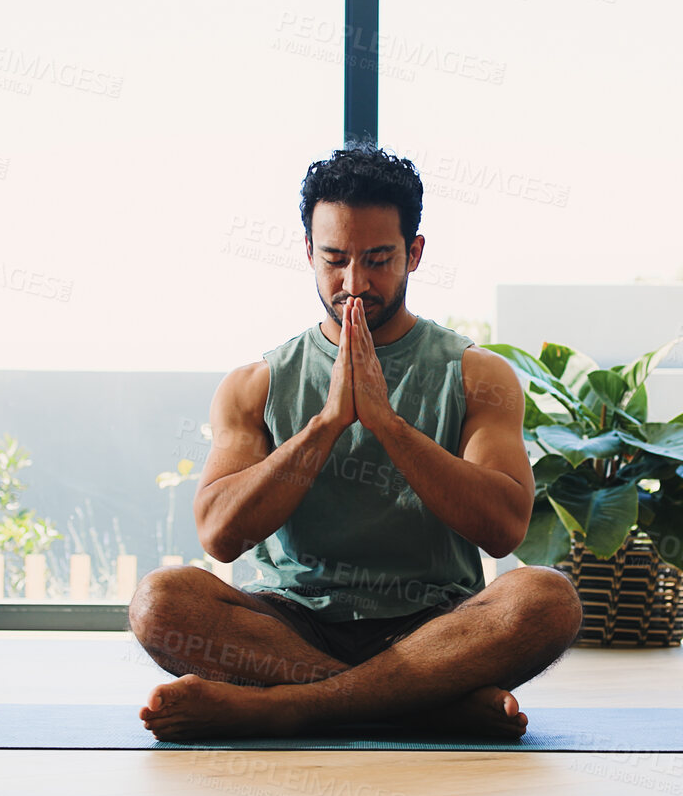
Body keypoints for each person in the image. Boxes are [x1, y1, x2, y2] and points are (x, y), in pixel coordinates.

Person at [128, 146, 582, 742]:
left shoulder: (478, 375)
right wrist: (327, 424)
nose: (354, 284)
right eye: (335, 259)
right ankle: (422, 705)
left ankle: (286, 708)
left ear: (414, 253)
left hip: (434, 627)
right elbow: (219, 534)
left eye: (378, 259)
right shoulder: (256, 384)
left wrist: (389, 426)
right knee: (160, 601)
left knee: (549, 599)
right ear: (309, 253)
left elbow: (504, 530)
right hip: (290, 625)